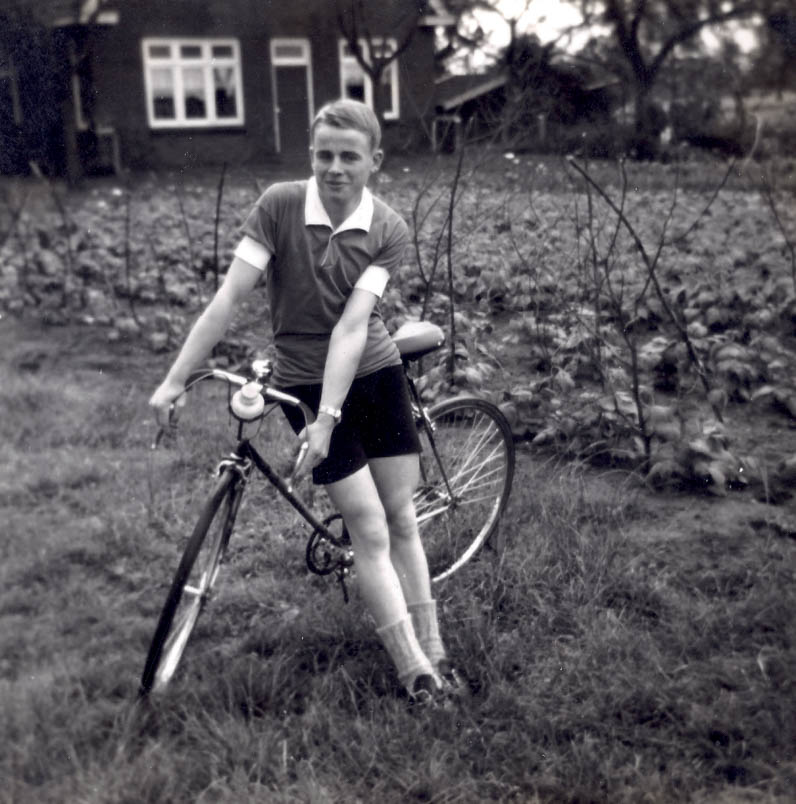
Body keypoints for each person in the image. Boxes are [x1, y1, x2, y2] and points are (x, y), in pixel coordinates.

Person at [149, 99, 460, 706]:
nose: (335, 168)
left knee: (399, 518)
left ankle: (435, 644)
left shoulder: (387, 228)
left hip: (373, 373)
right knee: (368, 529)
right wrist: (172, 379)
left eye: (349, 156)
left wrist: (327, 422)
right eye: (324, 155)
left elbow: (351, 329)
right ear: (310, 155)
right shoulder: (280, 206)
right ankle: (415, 672)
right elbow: (228, 298)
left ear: (374, 160)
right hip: (303, 381)